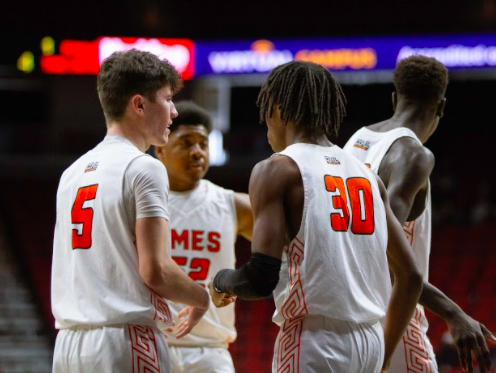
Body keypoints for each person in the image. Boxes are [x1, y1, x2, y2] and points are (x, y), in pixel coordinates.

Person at [203, 61, 423, 373]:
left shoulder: (276, 169)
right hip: (371, 342)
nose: (267, 132)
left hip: (316, 342)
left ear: (279, 109)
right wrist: (384, 355)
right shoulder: (368, 176)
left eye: (266, 119)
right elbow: (411, 277)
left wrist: (221, 281)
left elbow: (260, 278)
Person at [51, 49, 211, 372]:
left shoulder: (72, 173)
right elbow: (156, 271)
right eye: (167, 100)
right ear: (139, 105)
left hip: (68, 345)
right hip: (124, 342)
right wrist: (201, 297)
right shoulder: (144, 167)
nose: (174, 112)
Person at [343, 55, 496, 373]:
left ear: (394, 98)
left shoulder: (353, 143)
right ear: (441, 107)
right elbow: (382, 253)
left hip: (349, 320)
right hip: (394, 324)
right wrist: (454, 313)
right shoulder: (414, 156)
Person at [155, 101, 253, 373]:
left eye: (203, 144)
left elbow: (284, 248)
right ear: (160, 149)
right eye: (186, 143)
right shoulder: (141, 202)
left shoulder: (233, 204)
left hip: (210, 351)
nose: (197, 152)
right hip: (153, 343)